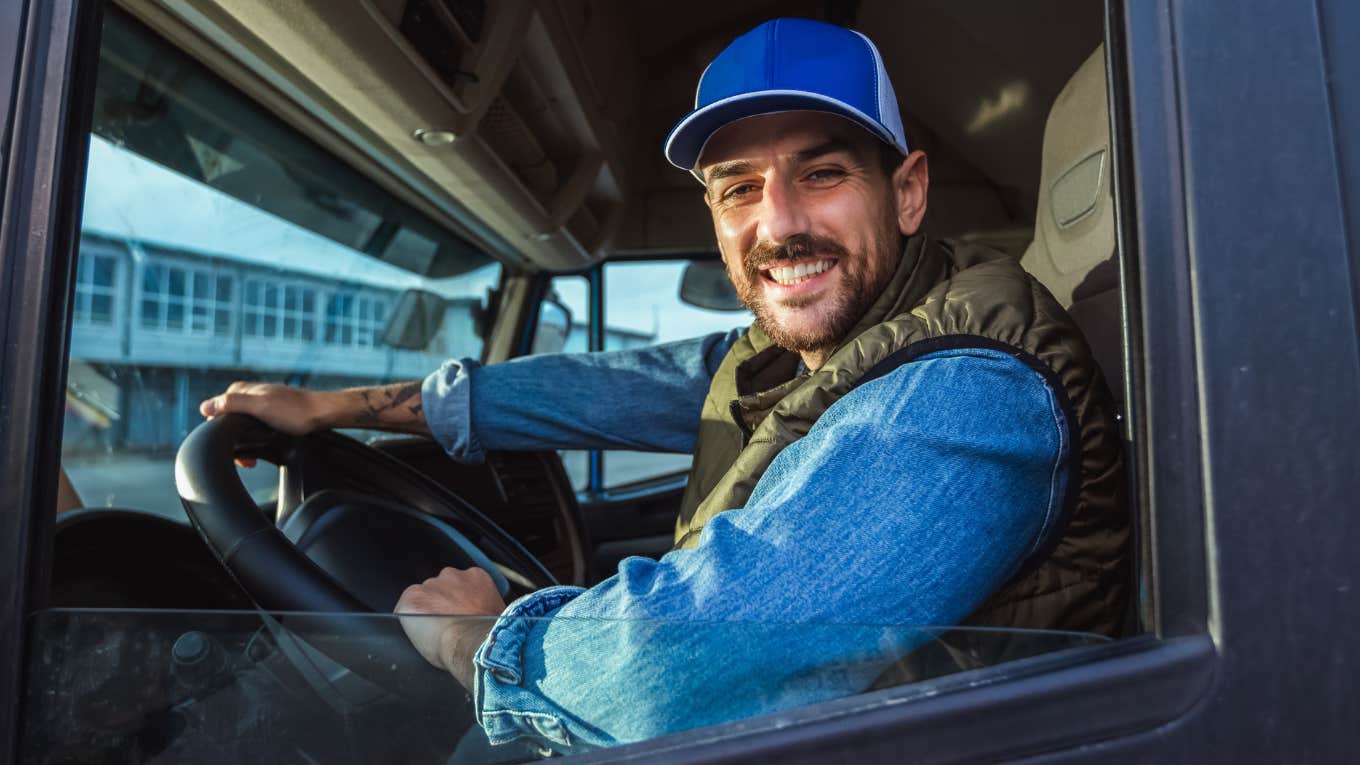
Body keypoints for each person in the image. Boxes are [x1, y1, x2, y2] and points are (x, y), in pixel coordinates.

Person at [201, 18, 1128, 754]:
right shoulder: (818, 344)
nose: (781, 223)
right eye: (738, 188)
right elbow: (616, 386)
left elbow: (660, 679)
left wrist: (475, 642)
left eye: (824, 172)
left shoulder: (965, 392)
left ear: (910, 192)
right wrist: (339, 409)